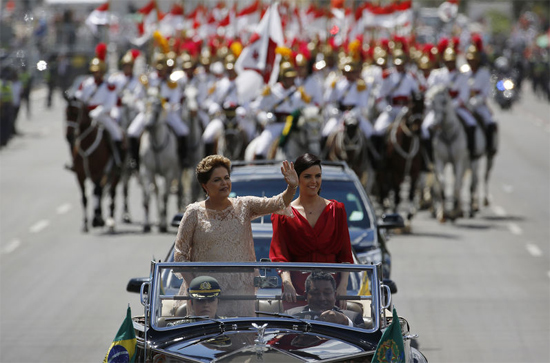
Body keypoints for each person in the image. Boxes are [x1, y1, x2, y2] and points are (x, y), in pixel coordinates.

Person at [174, 155, 299, 316]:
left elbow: (277, 203)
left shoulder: (244, 205)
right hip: (205, 296)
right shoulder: (193, 213)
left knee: (241, 338)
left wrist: (292, 187)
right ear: (205, 186)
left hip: (239, 294)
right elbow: (180, 256)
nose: (224, 183)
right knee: (206, 339)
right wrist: (195, 286)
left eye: (226, 178)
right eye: (217, 180)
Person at [270, 153, 353, 310]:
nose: (314, 181)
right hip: (296, 292)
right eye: (307, 176)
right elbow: (279, 255)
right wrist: (287, 283)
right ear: (297, 178)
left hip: (330, 292)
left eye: (318, 176)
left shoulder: (337, 210)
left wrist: (343, 287)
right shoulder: (283, 213)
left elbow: (345, 254)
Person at [285, 271, 364, 327]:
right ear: (306, 296)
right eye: (315, 293)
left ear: (335, 295)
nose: (322, 298)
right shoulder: (290, 316)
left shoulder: (352, 317)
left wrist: (344, 321)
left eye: (327, 293)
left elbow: (364, 342)